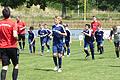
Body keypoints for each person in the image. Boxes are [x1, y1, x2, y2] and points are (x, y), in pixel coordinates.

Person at [0, 7, 19, 80]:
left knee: (5, 66)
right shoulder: (13, 22)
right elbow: (14, 35)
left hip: (2, 47)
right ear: (9, 14)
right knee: (16, 65)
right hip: (12, 47)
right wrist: (17, 38)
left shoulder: (0, 23)